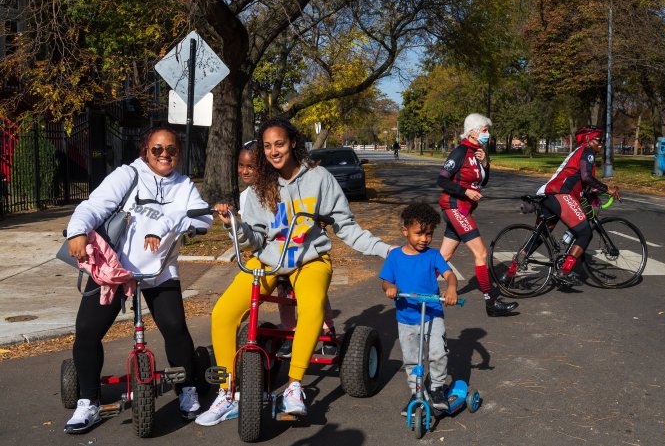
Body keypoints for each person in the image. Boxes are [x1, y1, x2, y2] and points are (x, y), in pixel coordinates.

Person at [196, 117, 393, 426]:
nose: (274, 151)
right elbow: (254, 241)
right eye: (268, 146)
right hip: (269, 258)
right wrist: (235, 225)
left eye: (280, 144)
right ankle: (227, 392)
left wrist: (390, 252)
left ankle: (294, 386)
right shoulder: (261, 186)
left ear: (293, 144)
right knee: (223, 312)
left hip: (310, 258)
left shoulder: (320, 179)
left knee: (312, 306)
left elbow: (348, 229)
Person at [62, 126, 212, 434]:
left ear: (178, 153)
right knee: (88, 330)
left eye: (170, 149)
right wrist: (77, 229)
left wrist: (173, 222)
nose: (164, 155)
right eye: (157, 149)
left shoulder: (183, 185)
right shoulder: (127, 175)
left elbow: (202, 217)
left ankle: (186, 388)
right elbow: (94, 205)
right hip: (115, 268)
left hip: (159, 269)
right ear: (146, 150)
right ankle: (88, 401)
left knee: (174, 327)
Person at [235, 140, 336, 360]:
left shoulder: (287, 184)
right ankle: (289, 331)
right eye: (241, 166)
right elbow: (253, 231)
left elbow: (305, 207)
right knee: (283, 293)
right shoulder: (247, 195)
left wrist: (315, 221)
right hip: (273, 254)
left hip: (301, 248)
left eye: (251, 167)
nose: (245, 171)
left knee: (314, 293)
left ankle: (328, 329)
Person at [379, 203, 458, 414]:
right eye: (419, 233)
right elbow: (386, 281)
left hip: (432, 313)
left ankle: (437, 388)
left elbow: (449, 274)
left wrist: (451, 288)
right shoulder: (395, 256)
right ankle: (417, 392)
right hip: (406, 316)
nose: (424, 239)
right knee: (412, 359)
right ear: (405, 231)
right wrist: (391, 287)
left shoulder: (432, 256)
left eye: (429, 234)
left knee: (438, 353)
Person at [437, 113, 518, 317]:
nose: (487, 134)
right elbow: (442, 180)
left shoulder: (477, 153)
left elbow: (482, 182)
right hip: (455, 207)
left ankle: (417, 287)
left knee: (444, 256)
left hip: (463, 209)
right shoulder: (461, 152)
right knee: (481, 253)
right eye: (484, 130)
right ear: (472, 132)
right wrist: (465, 192)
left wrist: (485, 165)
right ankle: (491, 302)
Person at [520, 125, 621, 285]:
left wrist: (592, 195)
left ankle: (513, 267)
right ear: (588, 139)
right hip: (561, 194)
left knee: (542, 234)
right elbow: (586, 177)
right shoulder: (587, 152)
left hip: (548, 194)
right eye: (598, 140)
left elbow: (581, 182)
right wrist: (607, 188)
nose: (601, 143)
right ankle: (564, 270)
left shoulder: (580, 152)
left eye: (602, 140)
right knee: (585, 233)